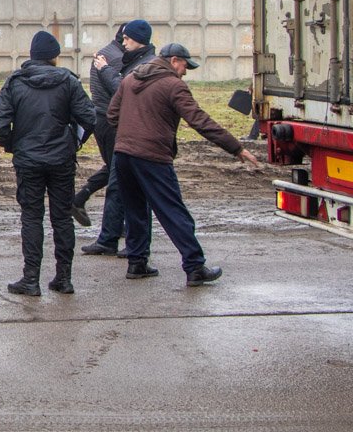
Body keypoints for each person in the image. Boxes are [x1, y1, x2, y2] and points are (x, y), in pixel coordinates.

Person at [107, 43, 259, 285]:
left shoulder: (130, 79)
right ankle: (195, 266)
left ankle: (137, 262)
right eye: (185, 66)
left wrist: (130, 135)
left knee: (135, 210)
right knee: (173, 211)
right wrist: (236, 147)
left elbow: (112, 114)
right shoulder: (173, 85)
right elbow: (199, 120)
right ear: (174, 60)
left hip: (123, 155)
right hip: (153, 156)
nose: (185, 72)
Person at [0, 30, 95, 296]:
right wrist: (75, 141)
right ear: (54, 57)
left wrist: (13, 144)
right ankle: (64, 277)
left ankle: (31, 278)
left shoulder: (15, 82)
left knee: (31, 217)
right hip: (61, 159)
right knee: (62, 217)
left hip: (28, 159)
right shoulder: (69, 82)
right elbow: (89, 118)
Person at [79, 18, 157, 257]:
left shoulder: (136, 62)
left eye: (127, 38)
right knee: (120, 181)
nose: (124, 43)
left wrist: (105, 69)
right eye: (123, 38)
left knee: (126, 184)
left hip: (128, 129)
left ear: (136, 40)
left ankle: (129, 245)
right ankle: (117, 239)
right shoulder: (127, 59)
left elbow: (124, 89)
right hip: (120, 126)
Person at [70, 22, 128, 226]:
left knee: (114, 166)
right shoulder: (118, 58)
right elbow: (121, 90)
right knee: (118, 171)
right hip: (112, 121)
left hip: (101, 119)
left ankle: (81, 198)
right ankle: (113, 226)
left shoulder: (105, 53)